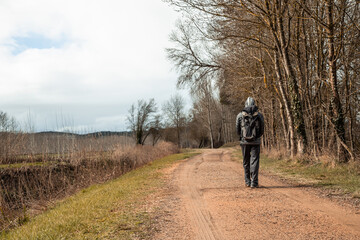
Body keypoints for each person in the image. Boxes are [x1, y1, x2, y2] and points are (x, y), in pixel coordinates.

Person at [236, 97, 264, 188]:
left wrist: (242, 137)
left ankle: (247, 181)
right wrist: (257, 137)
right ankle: (254, 182)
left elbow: (237, 129)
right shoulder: (259, 115)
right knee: (254, 161)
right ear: (254, 104)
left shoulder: (240, 115)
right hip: (255, 141)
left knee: (246, 161)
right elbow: (262, 130)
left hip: (244, 142)